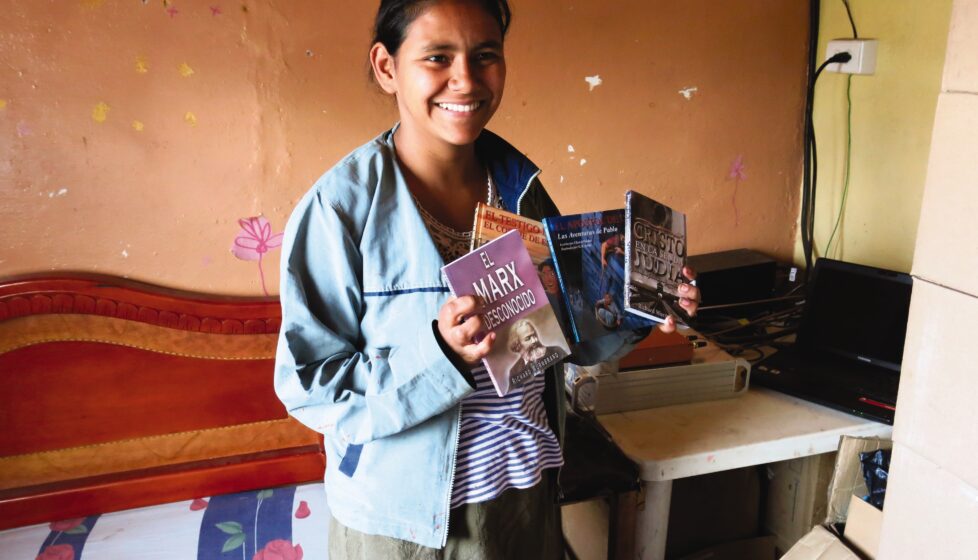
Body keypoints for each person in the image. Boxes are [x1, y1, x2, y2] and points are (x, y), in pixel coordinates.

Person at [273, 1, 701, 558]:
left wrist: (636, 307)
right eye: (437, 56)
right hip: (404, 527)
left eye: (485, 56)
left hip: (521, 502)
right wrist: (439, 355)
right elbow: (311, 387)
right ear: (386, 68)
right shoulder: (339, 212)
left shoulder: (522, 191)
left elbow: (563, 338)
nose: (466, 79)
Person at [506, 318, 565, 386]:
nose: (534, 340)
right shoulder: (514, 371)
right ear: (518, 345)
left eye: (534, 335)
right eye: (528, 338)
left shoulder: (556, 351)